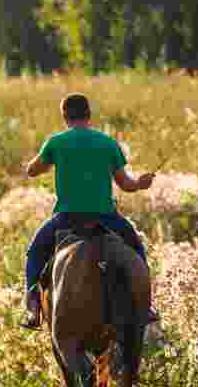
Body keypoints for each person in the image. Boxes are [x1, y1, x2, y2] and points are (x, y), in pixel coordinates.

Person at [20, 92, 156, 330]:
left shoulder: (56, 142)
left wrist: (31, 165)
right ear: (89, 115)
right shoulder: (108, 143)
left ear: (64, 116)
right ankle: (147, 305)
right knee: (136, 247)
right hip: (106, 217)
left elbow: (32, 171)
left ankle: (33, 306)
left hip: (67, 219)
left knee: (35, 252)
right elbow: (126, 185)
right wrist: (141, 183)